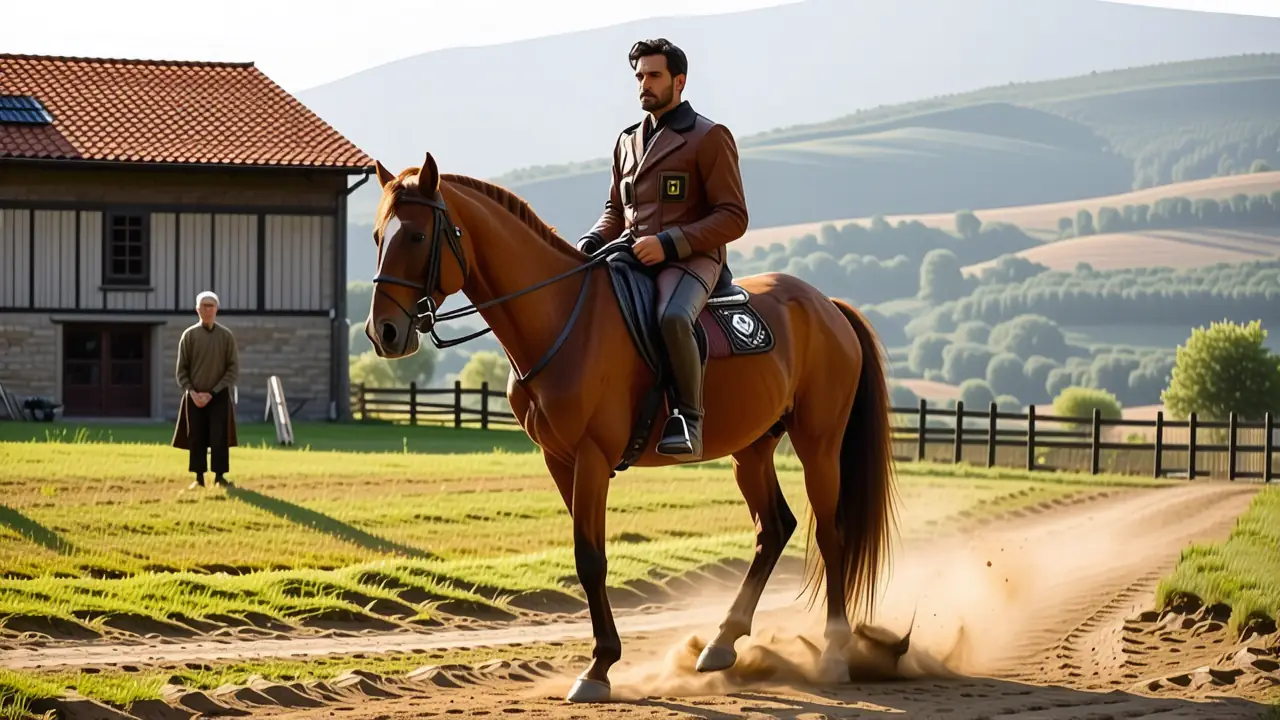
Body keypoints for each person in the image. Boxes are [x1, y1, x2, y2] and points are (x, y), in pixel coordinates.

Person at [576, 38, 749, 461]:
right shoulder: (626, 141)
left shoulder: (708, 137)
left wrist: (669, 243)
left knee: (672, 317)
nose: (644, 85)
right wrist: (590, 243)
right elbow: (615, 210)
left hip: (694, 260)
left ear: (680, 81)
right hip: (632, 254)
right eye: (639, 77)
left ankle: (689, 419)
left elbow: (733, 216)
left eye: (654, 76)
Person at [172, 291, 240, 488]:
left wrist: (213, 392)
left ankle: (220, 477)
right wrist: (193, 392)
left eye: (211, 305)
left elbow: (233, 369)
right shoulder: (189, 336)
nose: (207, 309)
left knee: (220, 436)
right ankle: (198, 478)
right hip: (194, 396)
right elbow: (181, 370)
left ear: (217, 309)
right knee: (196, 436)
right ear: (197, 309)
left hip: (218, 396)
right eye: (204, 306)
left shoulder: (226, 336)